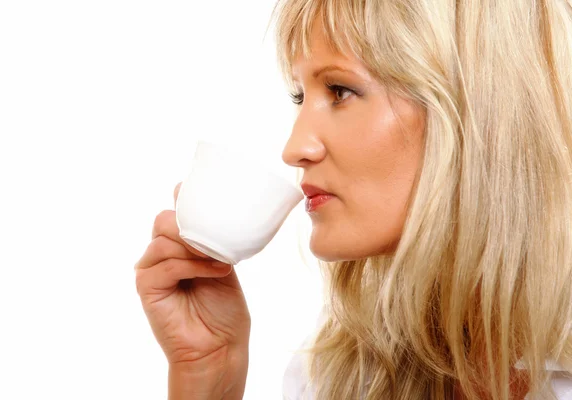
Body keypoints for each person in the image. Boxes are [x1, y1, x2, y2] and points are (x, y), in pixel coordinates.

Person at [134, 0, 572, 398]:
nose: (295, 147)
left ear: (478, 106)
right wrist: (210, 373)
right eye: (300, 96)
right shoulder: (335, 378)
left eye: (340, 91)